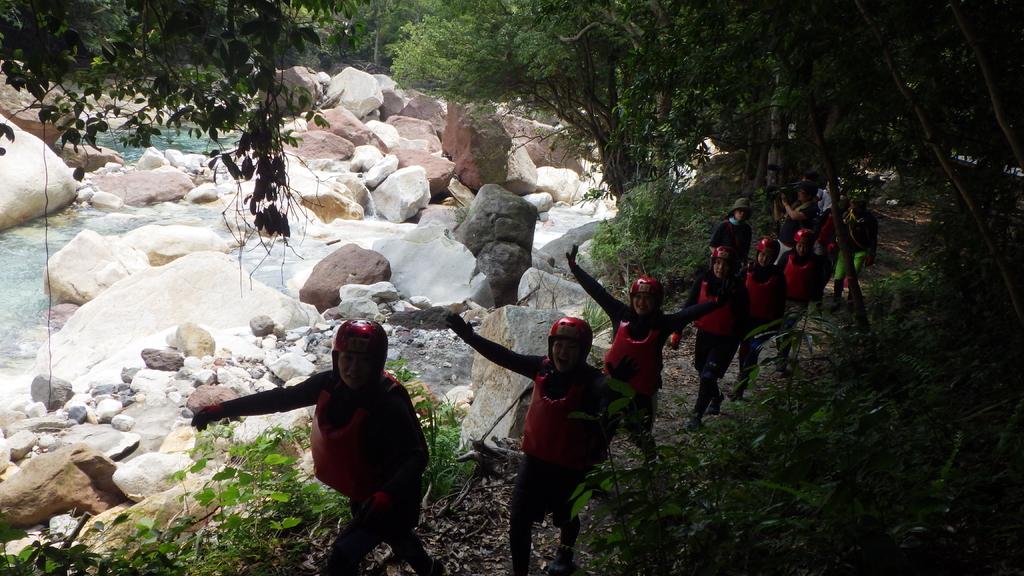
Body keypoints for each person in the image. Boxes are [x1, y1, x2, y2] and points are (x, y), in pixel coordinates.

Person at [191, 320, 443, 576]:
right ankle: (432, 570)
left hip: (394, 496)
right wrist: (222, 409)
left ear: (377, 363)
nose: (353, 369)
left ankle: (430, 568)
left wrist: (386, 494)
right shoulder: (330, 384)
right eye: (348, 358)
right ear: (336, 357)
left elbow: (417, 455)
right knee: (398, 536)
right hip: (365, 489)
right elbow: (282, 399)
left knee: (343, 556)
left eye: (364, 360)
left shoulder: (389, 400)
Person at [446, 314, 617, 576]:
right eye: (559, 345)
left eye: (571, 347)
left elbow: (606, 393)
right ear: (551, 346)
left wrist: (617, 386)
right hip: (534, 462)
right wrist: (469, 336)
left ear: (582, 351)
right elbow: (504, 356)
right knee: (518, 521)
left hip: (570, 468)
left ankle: (565, 554)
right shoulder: (542, 368)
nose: (563, 352)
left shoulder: (591, 381)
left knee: (565, 518)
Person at [567, 245, 721, 445]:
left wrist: (717, 301)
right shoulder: (620, 314)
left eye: (648, 298)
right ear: (632, 299)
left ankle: (650, 464)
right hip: (614, 385)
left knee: (640, 436)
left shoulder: (663, 324)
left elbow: (690, 313)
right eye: (638, 297)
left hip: (643, 392)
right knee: (603, 430)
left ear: (656, 302)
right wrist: (575, 268)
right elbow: (598, 292)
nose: (642, 302)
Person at [683, 246, 749, 429]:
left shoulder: (738, 287)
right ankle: (717, 396)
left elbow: (744, 316)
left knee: (708, 375)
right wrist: (677, 331)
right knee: (701, 370)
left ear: (732, 266)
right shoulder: (703, 280)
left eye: (725, 264)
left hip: (727, 339)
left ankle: (696, 416)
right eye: (717, 263)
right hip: (705, 334)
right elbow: (687, 307)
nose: (720, 268)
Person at [732, 237, 787, 400]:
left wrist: (777, 323)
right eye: (762, 254)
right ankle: (744, 376)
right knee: (744, 351)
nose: (765, 258)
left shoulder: (778, 275)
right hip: (746, 320)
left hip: (765, 323)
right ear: (757, 254)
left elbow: (780, 301)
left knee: (753, 353)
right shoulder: (746, 271)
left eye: (769, 256)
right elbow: (735, 294)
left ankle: (740, 386)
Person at [777, 228, 829, 372]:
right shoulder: (786, 257)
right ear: (795, 244)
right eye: (799, 245)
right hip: (782, 300)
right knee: (779, 331)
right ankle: (782, 356)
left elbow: (819, 284)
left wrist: (817, 302)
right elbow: (776, 276)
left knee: (787, 329)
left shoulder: (816, 262)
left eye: (806, 245)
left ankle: (782, 360)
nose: (802, 248)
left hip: (799, 303)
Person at [831, 196, 878, 310]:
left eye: (854, 203)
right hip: (845, 250)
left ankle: (851, 301)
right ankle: (836, 300)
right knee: (838, 275)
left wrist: (872, 253)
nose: (851, 204)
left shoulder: (869, 219)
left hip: (860, 251)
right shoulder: (846, 214)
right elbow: (838, 229)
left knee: (853, 276)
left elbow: (873, 238)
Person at [778, 181, 820, 261]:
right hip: (783, 240)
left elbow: (794, 216)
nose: (799, 193)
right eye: (799, 191)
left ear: (809, 195)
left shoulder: (812, 208)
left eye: (802, 192)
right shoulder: (798, 204)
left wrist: (785, 204)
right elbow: (783, 216)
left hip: (793, 245)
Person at [709, 197, 753, 267]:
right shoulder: (724, 225)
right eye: (740, 211)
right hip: (722, 265)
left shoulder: (747, 229)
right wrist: (720, 256)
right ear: (734, 211)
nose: (742, 213)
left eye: (745, 211)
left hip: (737, 264)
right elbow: (712, 245)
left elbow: (746, 250)